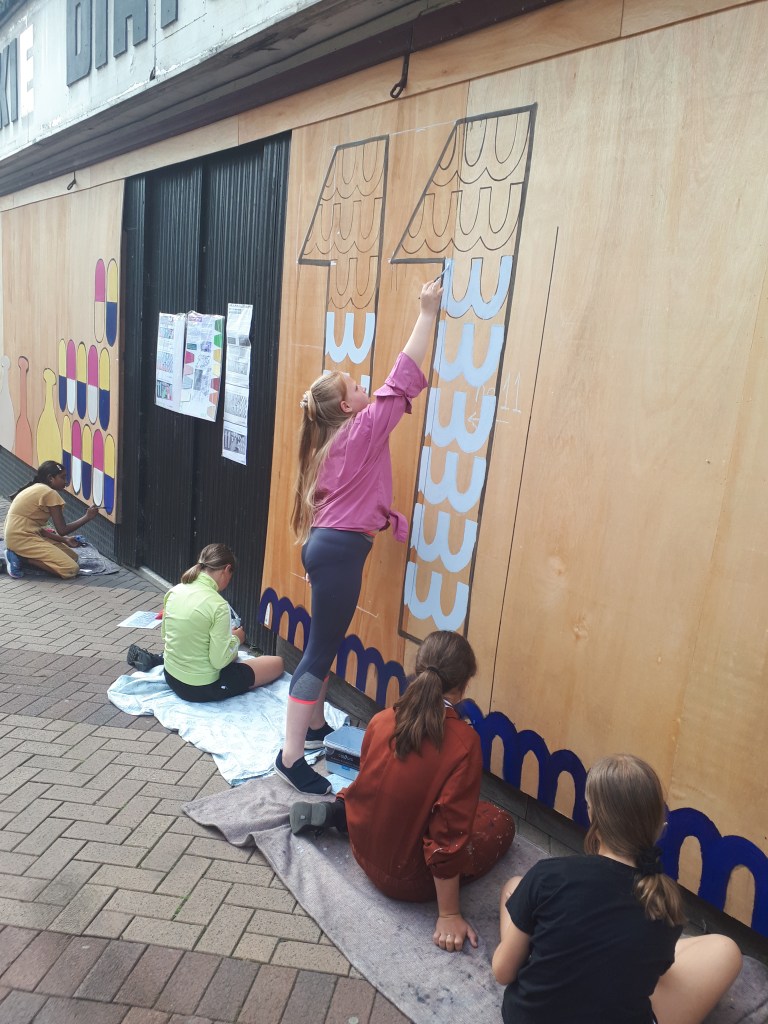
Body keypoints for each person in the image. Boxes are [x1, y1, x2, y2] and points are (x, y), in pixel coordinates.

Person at [275, 277, 444, 794]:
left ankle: (315, 725)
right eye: (354, 386)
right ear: (348, 408)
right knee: (319, 650)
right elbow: (403, 374)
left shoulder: (330, 442)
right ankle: (290, 757)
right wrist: (427, 312)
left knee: (324, 640)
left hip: (330, 549)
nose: (363, 386)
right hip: (338, 552)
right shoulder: (363, 430)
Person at [290, 630, 516, 951]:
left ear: (417, 669)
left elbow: (370, 782)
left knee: (382, 787)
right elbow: (447, 838)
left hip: (360, 847)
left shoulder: (382, 719)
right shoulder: (464, 744)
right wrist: (449, 914)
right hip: (407, 879)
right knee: (499, 820)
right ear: (464, 686)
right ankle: (344, 813)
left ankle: (340, 811)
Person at [492, 753, 743, 1024]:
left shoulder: (547, 875)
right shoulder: (664, 905)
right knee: (725, 949)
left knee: (514, 887)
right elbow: (658, 976)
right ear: (660, 828)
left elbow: (503, 973)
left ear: (592, 814)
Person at [162, 543, 284, 702]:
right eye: (231, 576)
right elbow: (219, 661)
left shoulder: (174, 591)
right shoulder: (218, 605)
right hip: (201, 688)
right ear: (227, 569)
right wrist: (237, 639)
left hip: (171, 677)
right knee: (277, 663)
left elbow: (166, 636)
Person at [2, 460, 99, 579]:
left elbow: (38, 529)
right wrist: (87, 517)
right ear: (50, 478)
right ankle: (21, 558)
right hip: (21, 538)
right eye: (62, 477)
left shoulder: (38, 487)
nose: (65, 481)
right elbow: (62, 530)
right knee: (70, 569)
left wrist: (65, 540)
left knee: (73, 557)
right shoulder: (49, 493)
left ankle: (19, 555)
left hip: (19, 535)